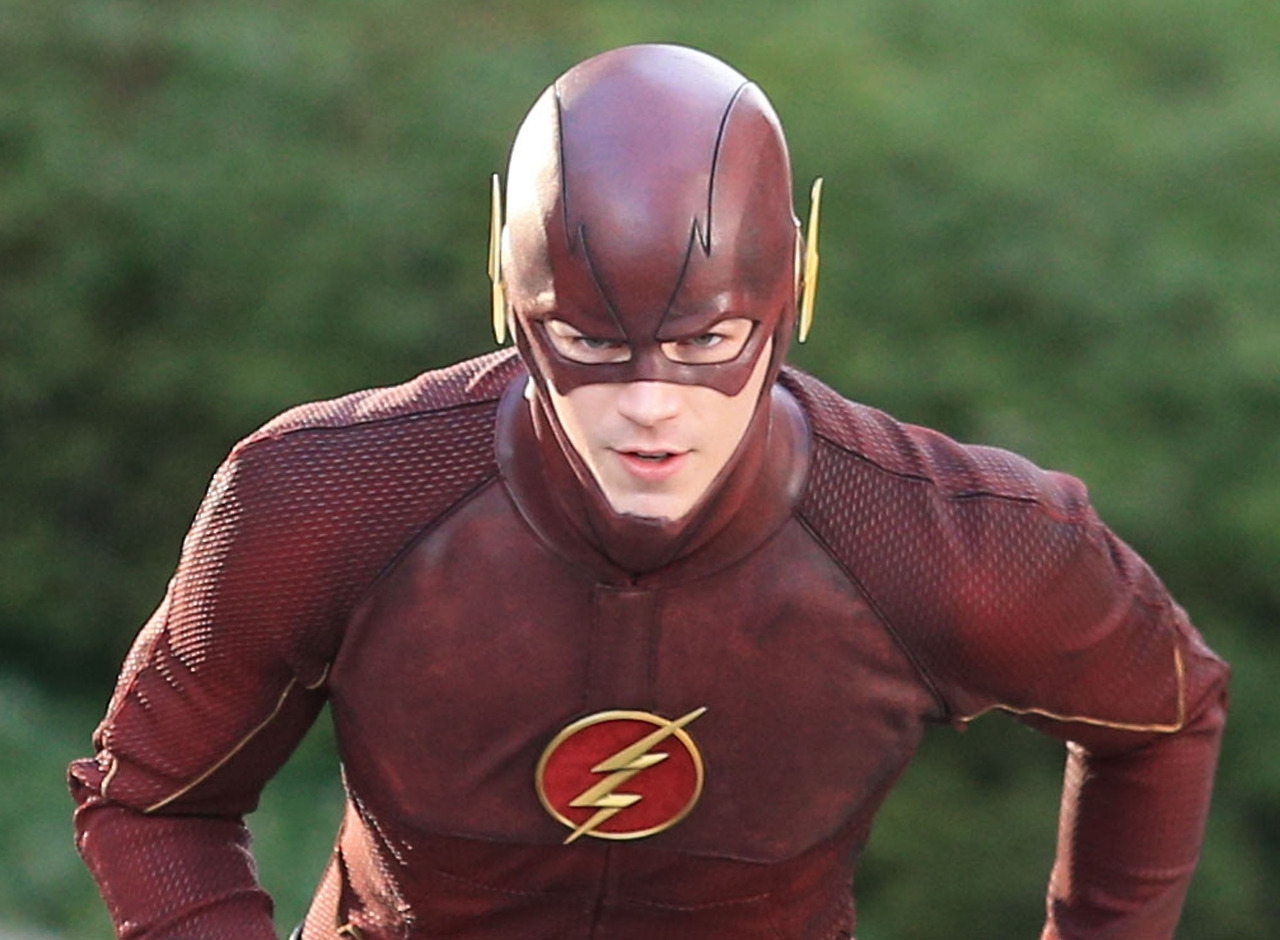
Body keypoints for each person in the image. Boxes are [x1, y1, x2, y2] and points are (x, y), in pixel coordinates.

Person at [70, 43, 1228, 940]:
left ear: (794, 290)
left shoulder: (944, 544)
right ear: (508, 294)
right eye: (586, 341)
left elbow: (1163, 714)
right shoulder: (330, 497)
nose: (649, 408)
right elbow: (151, 798)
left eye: (706, 341)